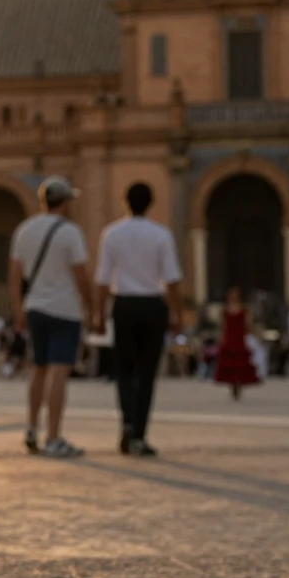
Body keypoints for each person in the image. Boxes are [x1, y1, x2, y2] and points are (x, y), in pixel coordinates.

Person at [93, 181, 182, 457]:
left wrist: (97, 313)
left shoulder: (111, 234)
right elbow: (172, 279)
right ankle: (140, 434)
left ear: (125, 202)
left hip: (124, 304)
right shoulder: (161, 235)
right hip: (152, 305)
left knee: (124, 370)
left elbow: (103, 279)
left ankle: (127, 423)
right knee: (146, 373)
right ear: (151, 202)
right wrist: (177, 313)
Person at [10, 176, 92, 459]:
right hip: (64, 309)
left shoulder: (25, 230)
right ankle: (54, 436)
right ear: (66, 201)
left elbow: (15, 274)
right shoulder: (71, 233)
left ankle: (31, 429)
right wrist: (91, 308)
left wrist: (19, 308)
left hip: (35, 308)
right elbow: (81, 275)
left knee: (38, 368)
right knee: (59, 370)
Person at [212, 287, 260, 399]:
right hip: (229, 338)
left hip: (239, 338)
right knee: (230, 362)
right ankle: (232, 383)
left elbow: (248, 324)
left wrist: (254, 335)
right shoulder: (224, 310)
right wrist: (220, 339)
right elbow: (222, 326)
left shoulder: (244, 309)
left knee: (239, 362)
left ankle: (238, 383)